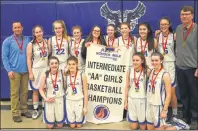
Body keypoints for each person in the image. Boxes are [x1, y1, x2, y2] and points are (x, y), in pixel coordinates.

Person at [146, 52, 190, 130]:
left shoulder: (165, 75)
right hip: (150, 103)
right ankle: (170, 123)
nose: (154, 62)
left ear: (161, 61)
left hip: (159, 105)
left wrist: (164, 110)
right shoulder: (151, 71)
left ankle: (179, 126)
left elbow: (169, 95)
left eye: (156, 60)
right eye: (152, 60)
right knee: (150, 128)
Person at [2, 21, 32, 122]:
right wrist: (9, 70)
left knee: (24, 92)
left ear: (22, 28)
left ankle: (23, 109)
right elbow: (4, 57)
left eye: (19, 27)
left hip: (25, 71)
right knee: (14, 93)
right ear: (12, 29)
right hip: (14, 71)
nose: (17, 29)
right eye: (15, 28)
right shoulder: (8, 41)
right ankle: (15, 112)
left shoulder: (27, 39)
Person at [175, 6, 198, 129]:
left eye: (187, 14)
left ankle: (195, 118)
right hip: (180, 67)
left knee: (194, 95)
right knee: (183, 95)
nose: (184, 16)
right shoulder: (178, 29)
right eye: (182, 14)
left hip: (193, 69)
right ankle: (185, 116)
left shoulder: (197, 29)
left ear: (192, 15)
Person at [156, 17, 178, 121]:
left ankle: (175, 113)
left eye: (165, 24)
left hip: (170, 65)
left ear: (169, 25)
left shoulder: (174, 36)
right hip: (160, 65)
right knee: (161, 90)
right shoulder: (157, 35)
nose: (163, 26)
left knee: (172, 91)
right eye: (161, 24)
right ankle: (163, 112)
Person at [26, 25, 48, 119]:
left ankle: (44, 109)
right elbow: (29, 59)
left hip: (45, 69)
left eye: (40, 31)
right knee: (35, 91)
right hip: (36, 70)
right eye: (37, 32)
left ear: (43, 32)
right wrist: (30, 72)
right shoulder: (31, 44)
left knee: (45, 90)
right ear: (34, 34)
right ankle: (35, 110)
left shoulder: (47, 42)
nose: (39, 33)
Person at [124, 52, 150, 130]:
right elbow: (127, 86)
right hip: (131, 98)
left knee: (143, 127)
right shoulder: (129, 70)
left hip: (142, 99)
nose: (135, 62)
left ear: (142, 61)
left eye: (137, 60)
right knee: (133, 127)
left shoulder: (147, 71)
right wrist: (125, 101)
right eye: (133, 60)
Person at [39, 56, 65, 129]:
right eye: (52, 63)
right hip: (49, 100)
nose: (54, 65)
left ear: (58, 64)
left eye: (56, 63)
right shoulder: (45, 74)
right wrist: (45, 98)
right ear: (49, 65)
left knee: (60, 126)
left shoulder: (62, 72)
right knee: (50, 126)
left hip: (59, 99)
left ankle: (59, 119)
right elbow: (40, 89)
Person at [65, 56, 88, 128]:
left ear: (77, 64)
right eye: (69, 64)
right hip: (69, 100)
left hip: (79, 101)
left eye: (73, 64)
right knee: (72, 126)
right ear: (67, 65)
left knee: (78, 125)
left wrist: (85, 107)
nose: (71, 66)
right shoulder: (65, 75)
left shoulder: (82, 75)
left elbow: (86, 92)